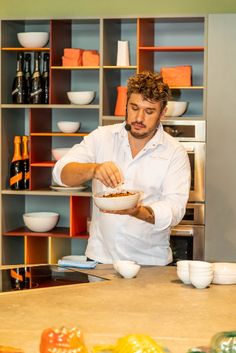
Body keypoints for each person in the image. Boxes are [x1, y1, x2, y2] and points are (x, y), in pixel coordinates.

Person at [52, 71, 191, 266]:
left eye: (149, 111)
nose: (139, 118)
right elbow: (61, 173)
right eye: (134, 108)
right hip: (101, 260)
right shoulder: (102, 137)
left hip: (150, 264)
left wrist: (137, 211)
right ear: (126, 104)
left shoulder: (175, 152)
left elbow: (175, 209)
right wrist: (93, 169)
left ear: (163, 112)